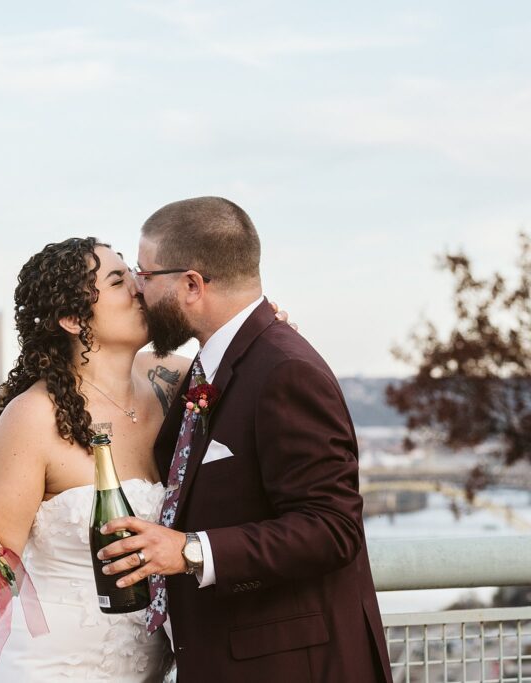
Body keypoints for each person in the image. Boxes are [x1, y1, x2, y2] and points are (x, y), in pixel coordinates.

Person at [0, 236, 289, 680]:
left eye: (133, 274)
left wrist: (263, 332)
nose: (139, 287)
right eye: (118, 280)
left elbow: (246, 360)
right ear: (72, 319)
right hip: (57, 666)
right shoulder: (34, 417)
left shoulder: (174, 383)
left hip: (153, 664)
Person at [97, 197, 392, 682]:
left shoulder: (284, 370)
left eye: (145, 276)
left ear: (191, 285)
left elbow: (333, 527)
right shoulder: (215, 363)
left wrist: (191, 550)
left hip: (291, 666)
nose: (137, 289)